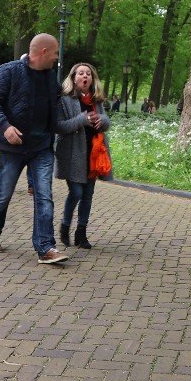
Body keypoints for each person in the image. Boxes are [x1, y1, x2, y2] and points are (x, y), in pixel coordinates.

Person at [0, 34, 66, 263]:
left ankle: (45, 247)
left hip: (42, 147)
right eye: (55, 53)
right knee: (4, 193)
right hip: (12, 147)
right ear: (43, 52)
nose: (57, 58)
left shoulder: (51, 78)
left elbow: (59, 102)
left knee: (44, 196)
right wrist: (5, 127)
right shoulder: (9, 71)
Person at [56, 62, 112, 249]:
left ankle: (81, 232)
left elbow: (106, 122)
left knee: (88, 195)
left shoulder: (96, 100)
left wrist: (102, 120)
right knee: (77, 192)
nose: (85, 76)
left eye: (88, 73)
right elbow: (59, 126)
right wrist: (82, 120)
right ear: (73, 78)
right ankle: (65, 226)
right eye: (81, 73)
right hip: (72, 154)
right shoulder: (65, 100)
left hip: (93, 154)